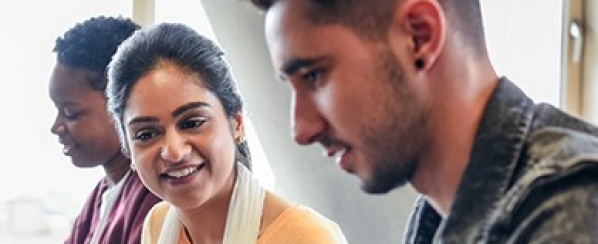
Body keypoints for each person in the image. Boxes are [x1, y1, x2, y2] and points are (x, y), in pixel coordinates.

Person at [250, 0, 598, 242]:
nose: (301, 129)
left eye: (314, 76)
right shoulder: (434, 211)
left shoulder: (568, 209)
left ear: (419, 36)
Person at [106, 22, 347, 244]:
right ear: (128, 149)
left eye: (192, 122)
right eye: (146, 135)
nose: (174, 152)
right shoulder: (158, 225)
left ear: (237, 124)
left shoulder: (304, 237)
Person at [50, 16, 163, 244]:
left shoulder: (157, 198)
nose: (56, 127)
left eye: (71, 113)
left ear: (123, 106)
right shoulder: (101, 196)